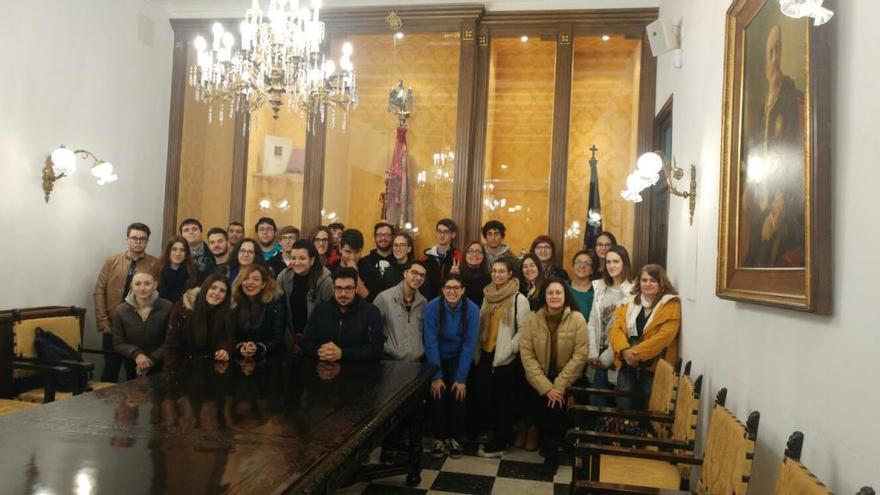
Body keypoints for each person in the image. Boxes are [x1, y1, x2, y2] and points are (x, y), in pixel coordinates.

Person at [519, 278, 589, 474]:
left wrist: (558, 386)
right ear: (544, 296)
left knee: (557, 410)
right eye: (550, 293)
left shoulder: (577, 319)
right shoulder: (533, 318)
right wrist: (546, 387)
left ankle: (553, 454)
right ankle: (551, 447)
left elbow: (580, 355)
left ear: (565, 295)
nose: (554, 296)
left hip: (567, 379)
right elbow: (526, 353)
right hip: (540, 378)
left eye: (558, 292)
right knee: (544, 411)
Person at [473, 258, 531, 458]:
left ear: (510, 274)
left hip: (506, 358)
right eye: (494, 271)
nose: (497, 275)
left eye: (501, 271)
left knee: (504, 402)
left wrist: (509, 350)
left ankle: (502, 441)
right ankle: (493, 435)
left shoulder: (518, 299)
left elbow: (524, 331)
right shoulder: (488, 295)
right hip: (486, 353)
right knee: (488, 398)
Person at [423, 273, 480, 459]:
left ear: (463, 290)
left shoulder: (472, 309)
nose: (452, 291)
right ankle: (439, 438)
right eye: (448, 288)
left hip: (459, 357)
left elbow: (469, 344)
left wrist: (461, 378)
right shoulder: (432, 307)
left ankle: (455, 437)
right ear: (443, 290)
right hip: (436, 355)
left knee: (459, 395)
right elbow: (430, 342)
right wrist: (436, 376)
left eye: (456, 288)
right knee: (437, 395)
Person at [609, 264, 681, 410]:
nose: (647, 284)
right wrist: (624, 351)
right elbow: (615, 330)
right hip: (626, 367)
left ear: (662, 284)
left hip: (653, 370)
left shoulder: (671, 304)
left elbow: (663, 338)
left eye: (652, 280)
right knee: (623, 412)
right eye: (644, 280)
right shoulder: (628, 302)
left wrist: (634, 354)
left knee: (649, 414)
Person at [94, 222, 158, 382]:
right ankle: (105, 406)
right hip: (112, 324)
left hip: (137, 327)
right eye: (134, 238)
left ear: (147, 241)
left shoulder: (154, 264)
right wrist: (103, 321)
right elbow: (99, 291)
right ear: (127, 239)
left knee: (135, 373)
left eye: (142, 239)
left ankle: (133, 405)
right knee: (110, 369)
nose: (138, 242)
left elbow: (156, 294)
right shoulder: (112, 261)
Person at [586, 245, 634, 406]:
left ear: (624, 263)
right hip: (597, 357)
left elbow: (628, 329)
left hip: (619, 356)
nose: (611, 265)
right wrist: (593, 352)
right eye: (608, 262)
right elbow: (592, 322)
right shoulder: (600, 287)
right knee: (596, 404)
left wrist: (608, 356)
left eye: (616, 261)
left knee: (622, 407)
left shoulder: (633, 290)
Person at [303, 267, 384, 362]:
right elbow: (307, 343)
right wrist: (321, 351)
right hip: (325, 369)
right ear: (333, 288)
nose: (343, 294)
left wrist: (342, 353)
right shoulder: (320, 310)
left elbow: (377, 348)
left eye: (348, 288)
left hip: (359, 371)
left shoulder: (371, 312)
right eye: (339, 288)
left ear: (356, 289)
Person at [164, 273, 235, 373]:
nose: (216, 293)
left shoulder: (229, 312)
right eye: (213, 288)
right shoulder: (184, 307)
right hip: (184, 365)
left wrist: (224, 349)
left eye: (222, 291)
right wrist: (169, 373)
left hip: (212, 367)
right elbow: (172, 343)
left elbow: (229, 338)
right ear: (205, 288)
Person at [112, 271, 173, 379]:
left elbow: (171, 339)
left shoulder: (167, 307)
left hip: (161, 365)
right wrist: (137, 354)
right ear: (132, 286)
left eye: (147, 284)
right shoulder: (120, 310)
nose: (142, 288)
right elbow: (118, 343)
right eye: (138, 284)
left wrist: (153, 359)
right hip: (133, 365)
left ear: (155, 285)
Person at [276, 240, 333, 353]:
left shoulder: (325, 280)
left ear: (312, 260)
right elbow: (277, 308)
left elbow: (329, 315)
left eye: (302, 258)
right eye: (293, 258)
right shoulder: (284, 276)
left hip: (316, 339)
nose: (296, 263)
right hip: (288, 338)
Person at [374, 260, 428, 361]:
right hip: (390, 361)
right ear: (405, 273)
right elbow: (372, 331)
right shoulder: (384, 298)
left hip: (416, 363)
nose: (418, 278)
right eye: (414, 272)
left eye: (422, 275)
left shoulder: (424, 303)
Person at [231, 264, 285, 358]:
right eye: (245, 279)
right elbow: (227, 335)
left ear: (263, 284)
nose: (250, 282)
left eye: (255, 279)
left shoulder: (275, 304)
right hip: (237, 356)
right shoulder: (232, 303)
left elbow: (278, 338)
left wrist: (258, 347)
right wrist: (240, 347)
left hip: (269, 358)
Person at [421, 218, 463, 301]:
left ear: (453, 234)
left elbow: (463, 285)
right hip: (429, 301)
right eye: (439, 231)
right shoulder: (426, 257)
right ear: (436, 234)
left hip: (451, 301)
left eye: (446, 232)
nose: (442, 235)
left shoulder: (459, 257)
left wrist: (458, 275)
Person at [357, 222, 397, 302]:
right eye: (379, 235)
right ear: (375, 237)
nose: (383, 238)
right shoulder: (363, 263)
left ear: (393, 237)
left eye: (387, 235)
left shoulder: (398, 262)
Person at [153, 236, 197, 304]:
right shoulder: (157, 268)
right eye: (174, 249)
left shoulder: (193, 271)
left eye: (182, 250)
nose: (178, 253)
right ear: (168, 251)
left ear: (186, 253)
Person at [568, 250, 598, 321]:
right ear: (573, 266)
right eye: (578, 262)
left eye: (587, 263)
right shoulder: (562, 287)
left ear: (592, 270)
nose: (582, 266)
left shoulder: (598, 291)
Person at [459, 241, 491, 307]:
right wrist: (455, 278)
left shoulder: (489, 278)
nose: (474, 254)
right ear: (465, 254)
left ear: (483, 256)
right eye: (470, 251)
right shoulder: (457, 273)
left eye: (478, 252)